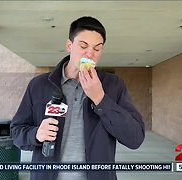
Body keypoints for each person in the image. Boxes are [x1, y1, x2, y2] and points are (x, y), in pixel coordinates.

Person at [11, 16, 145, 180]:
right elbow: (17, 132)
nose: (90, 53)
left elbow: (135, 138)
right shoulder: (39, 85)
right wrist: (36, 134)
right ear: (69, 45)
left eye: (97, 48)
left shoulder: (113, 85)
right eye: (83, 46)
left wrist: (101, 99)